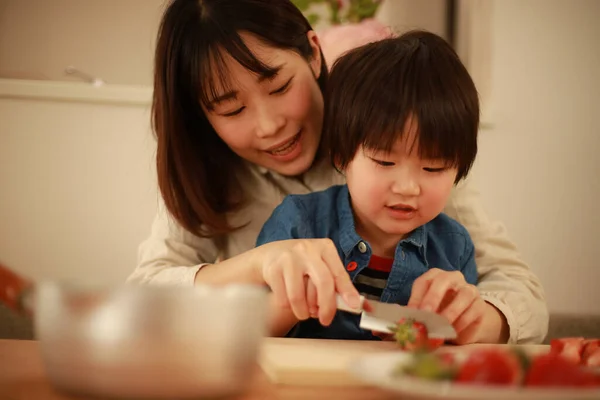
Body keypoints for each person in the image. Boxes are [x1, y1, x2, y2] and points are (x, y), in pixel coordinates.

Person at [128, 0, 548, 344]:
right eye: (231, 109)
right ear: (201, 115)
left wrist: (480, 319)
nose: (268, 125)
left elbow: (517, 288)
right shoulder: (205, 169)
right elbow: (143, 295)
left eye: (279, 87)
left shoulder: (399, 142)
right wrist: (257, 264)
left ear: (313, 52)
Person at [256, 30, 480, 340]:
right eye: (385, 162)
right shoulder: (298, 224)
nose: (407, 188)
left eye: (434, 167)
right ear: (342, 155)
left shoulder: (453, 247)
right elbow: (247, 334)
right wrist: (296, 300)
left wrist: (447, 328)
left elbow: (458, 348)